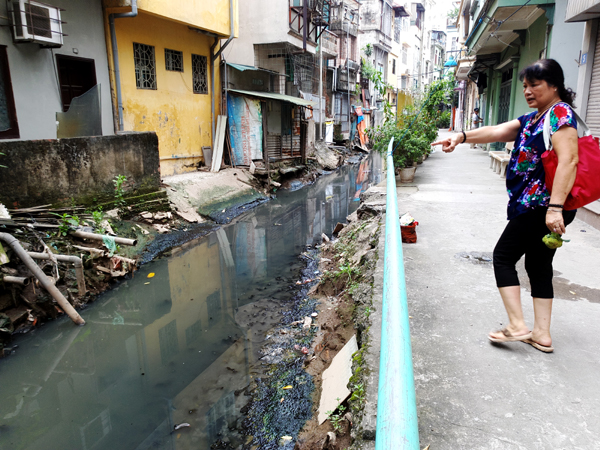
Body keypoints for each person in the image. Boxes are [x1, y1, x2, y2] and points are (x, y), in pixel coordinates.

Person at [431, 59, 579, 353]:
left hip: (541, 206)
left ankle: (516, 325)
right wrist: (460, 137)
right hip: (539, 205)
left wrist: (555, 208)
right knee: (538, 265)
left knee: (503, 256)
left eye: (534, 85)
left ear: (555, 85)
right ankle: (541, 334)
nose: (527, 91)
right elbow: (497, 131)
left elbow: (569, 160)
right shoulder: (535, 118)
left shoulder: (560, 114)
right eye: (525, 86)